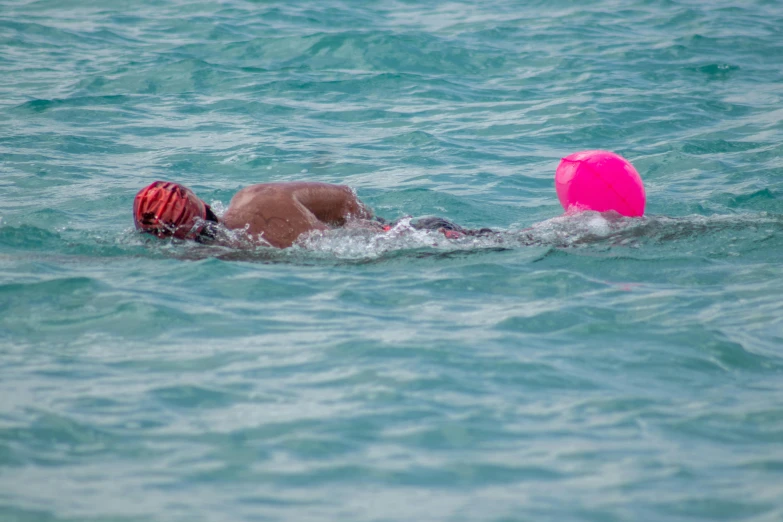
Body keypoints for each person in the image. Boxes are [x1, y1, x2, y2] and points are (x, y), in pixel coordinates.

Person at [133, 180, 493, 248]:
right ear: (203, 205)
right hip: (412, 233)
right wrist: (366, 224)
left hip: (402, 247)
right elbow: (345, 197)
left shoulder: (214, 257)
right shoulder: (257, 197)